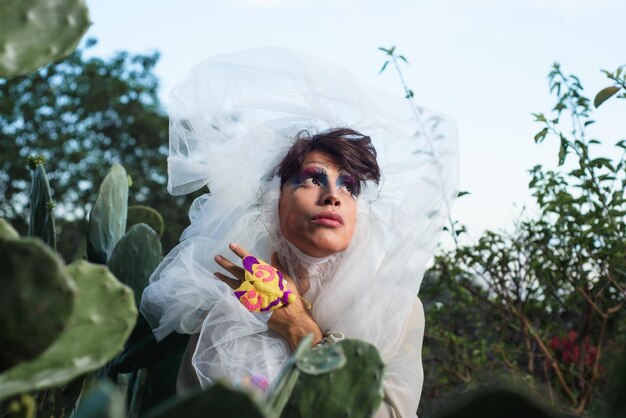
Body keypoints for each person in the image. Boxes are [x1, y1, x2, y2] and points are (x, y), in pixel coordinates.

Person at [140, 47, 458, 417]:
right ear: (273, 201)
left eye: (349, 187)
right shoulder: (229, 300)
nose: (333, 197)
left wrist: (299, 328)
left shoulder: (395, 311)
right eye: (312, 179)